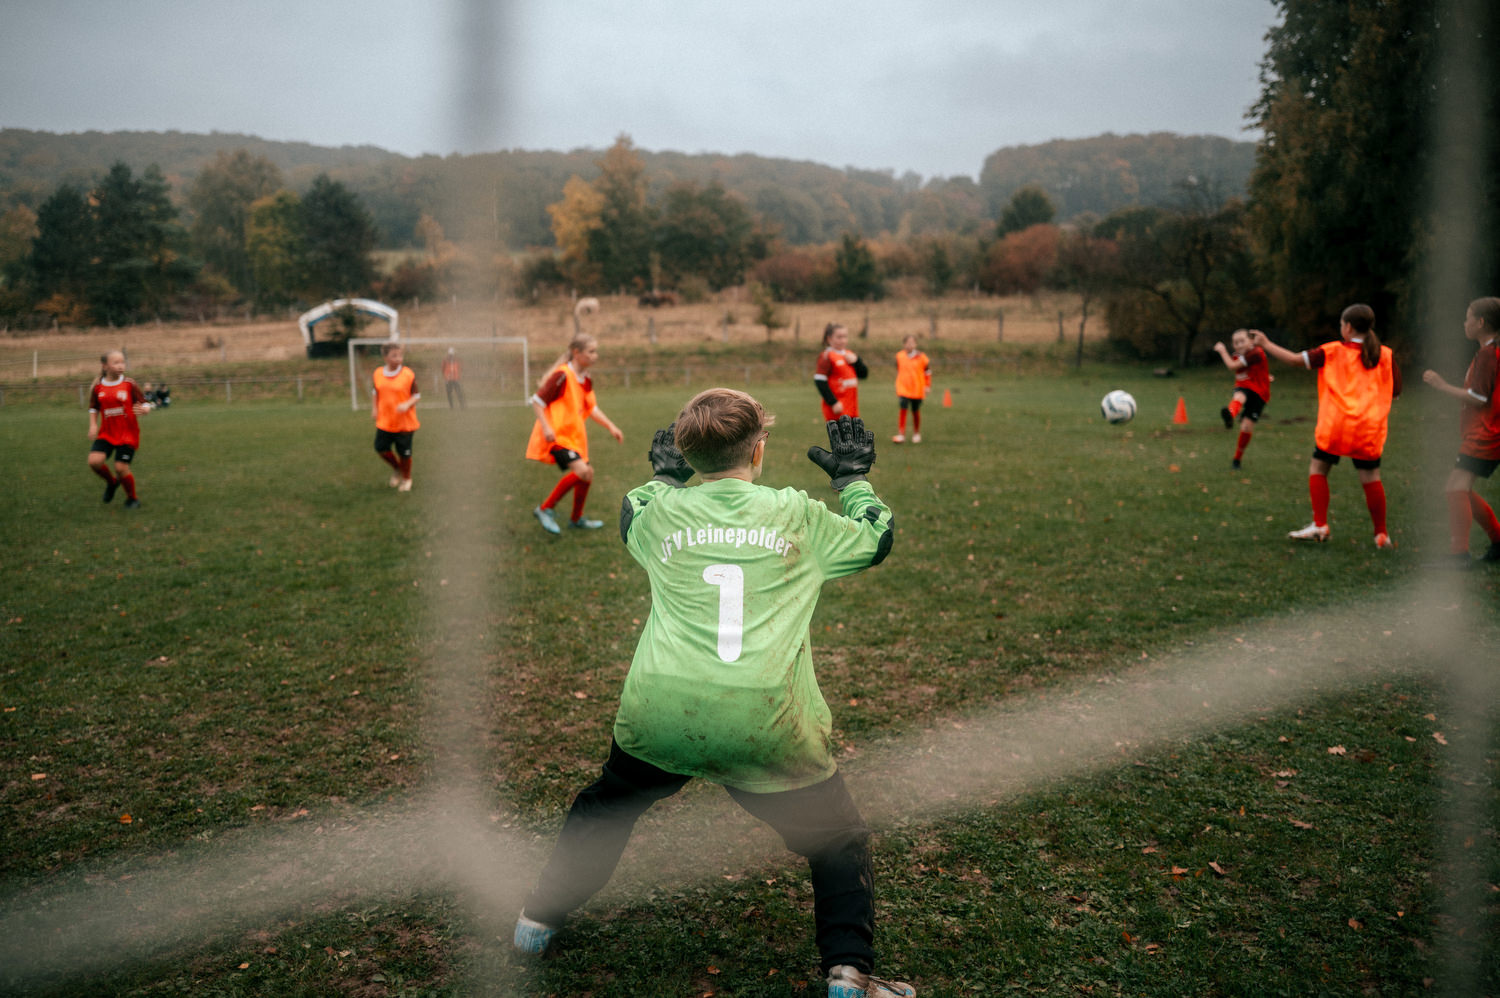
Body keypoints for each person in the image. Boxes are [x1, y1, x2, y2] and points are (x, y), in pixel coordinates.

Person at [512, 392, 913, 998]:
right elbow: (876, 537)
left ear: (686, 452)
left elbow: (632, 510)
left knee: (606, 808)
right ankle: (849, 975)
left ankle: (536, 920)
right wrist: (853, 480)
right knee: (838, 840)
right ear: (759, 449)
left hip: (663, 710)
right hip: (765, 721)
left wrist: (664, 477)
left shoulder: (660, 514)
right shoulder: (796, 516)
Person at [1253, 304, 1401, 547]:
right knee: (1371, 477)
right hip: (1368, 428)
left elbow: (1294, 360)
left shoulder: (1331, 351)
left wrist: (1266, 343)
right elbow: (1395, 391)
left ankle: (1320, 524)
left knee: (1319, 469)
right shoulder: (1385, 354)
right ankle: (1381, 534)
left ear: (1348, 327)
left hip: (1336, 426)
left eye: (1341, 324)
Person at [1422, 296, 1500, 564]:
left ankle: (1459, 554)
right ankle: (1497, 541)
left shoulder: (1488, 354)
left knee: (1455, 488)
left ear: (1480, 322)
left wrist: (1442, 386)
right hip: (1486, 432)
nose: (1464, 323)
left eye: (1468, 318)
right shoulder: (1490, 352)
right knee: (1460, 489)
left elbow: (1478, 398)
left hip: (1485, 434)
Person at [525, 332, 624, 533]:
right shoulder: (562, 375)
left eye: (596, 351)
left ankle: (576, 519)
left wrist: (611, 426)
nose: (595, 356)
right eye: (591, 351)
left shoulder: (585, 378)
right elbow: (537, 401)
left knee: (588, 474)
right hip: (558, 437)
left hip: (574, 438)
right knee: (582, 471)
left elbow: (592, 408)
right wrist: (546, 427)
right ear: (576, 353)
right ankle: (544, 509)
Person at [87, 350, 152, 509]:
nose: (121, 366)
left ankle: (132, 499)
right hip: (107, 433)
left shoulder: (129, 384)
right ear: (105, 366)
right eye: (116, 363)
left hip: (127, 434)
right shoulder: (98, 387)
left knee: (120, 467)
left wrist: (145, 409)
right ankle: (112, 482)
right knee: (94, 462)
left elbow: (145, 402)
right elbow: (94, 407)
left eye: (122, 362)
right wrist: (93, 424)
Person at [1213, 328, 1272, 469]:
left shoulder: (1255, 353)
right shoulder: (1238, 355)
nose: (1239, 345)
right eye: (1236, 342)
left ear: (1251, 341)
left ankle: (1237, 459)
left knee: (1246, 427)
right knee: (1239, 396)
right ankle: (1230, 415)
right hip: (1244, 387)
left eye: (1242, 341)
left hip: (1259, 394)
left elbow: (1232, 366)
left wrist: (1222, 350)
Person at [372, 341, 419, 492]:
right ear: (385, 357)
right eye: (394, 356)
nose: (398, 358)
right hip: (385, 421)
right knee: (380, 448)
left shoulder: (408, 374)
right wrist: (374, 408)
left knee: (404, 454)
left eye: (400, 355)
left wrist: (407, 404)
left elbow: (416, 395)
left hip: (404, 423)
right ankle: (397, 468)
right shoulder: (378, 373)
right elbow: (375, 391)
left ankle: (407, 478)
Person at [814, 322, 867, 421]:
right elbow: (819, 381)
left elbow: (864, 374)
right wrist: (833, 402)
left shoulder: (849, 354)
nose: (843, 340)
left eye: (845, 337)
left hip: (852, 408)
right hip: (838, 409)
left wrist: (857, 361)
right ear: (829, 339)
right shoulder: (827, 356)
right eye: (839, 337)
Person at [891, 334, 931, 444]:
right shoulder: (899, 356)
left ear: (915, 344)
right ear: (904, 344)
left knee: (915, 410)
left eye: (912, 343)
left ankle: (916, 433)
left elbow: (927, 371)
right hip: (903, 388)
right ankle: (901, 434)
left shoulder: (922, 357)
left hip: (917, 389)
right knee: (903, 407)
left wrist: (927, 385)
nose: (910, 345)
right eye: (908, 343)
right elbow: (898, 368)